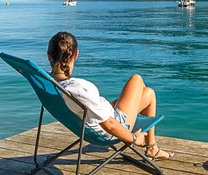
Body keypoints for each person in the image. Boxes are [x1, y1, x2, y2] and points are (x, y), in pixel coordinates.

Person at [47, 31, 173, 159]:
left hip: (92, 120)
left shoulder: (47, 81)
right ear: (76, 54)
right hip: (111, 129)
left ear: (48, 56)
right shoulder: (78, 89)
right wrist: (134, 138)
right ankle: (152, 148)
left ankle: (152, 148)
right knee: (137, 79)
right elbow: (110, 125)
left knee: (148, 93)